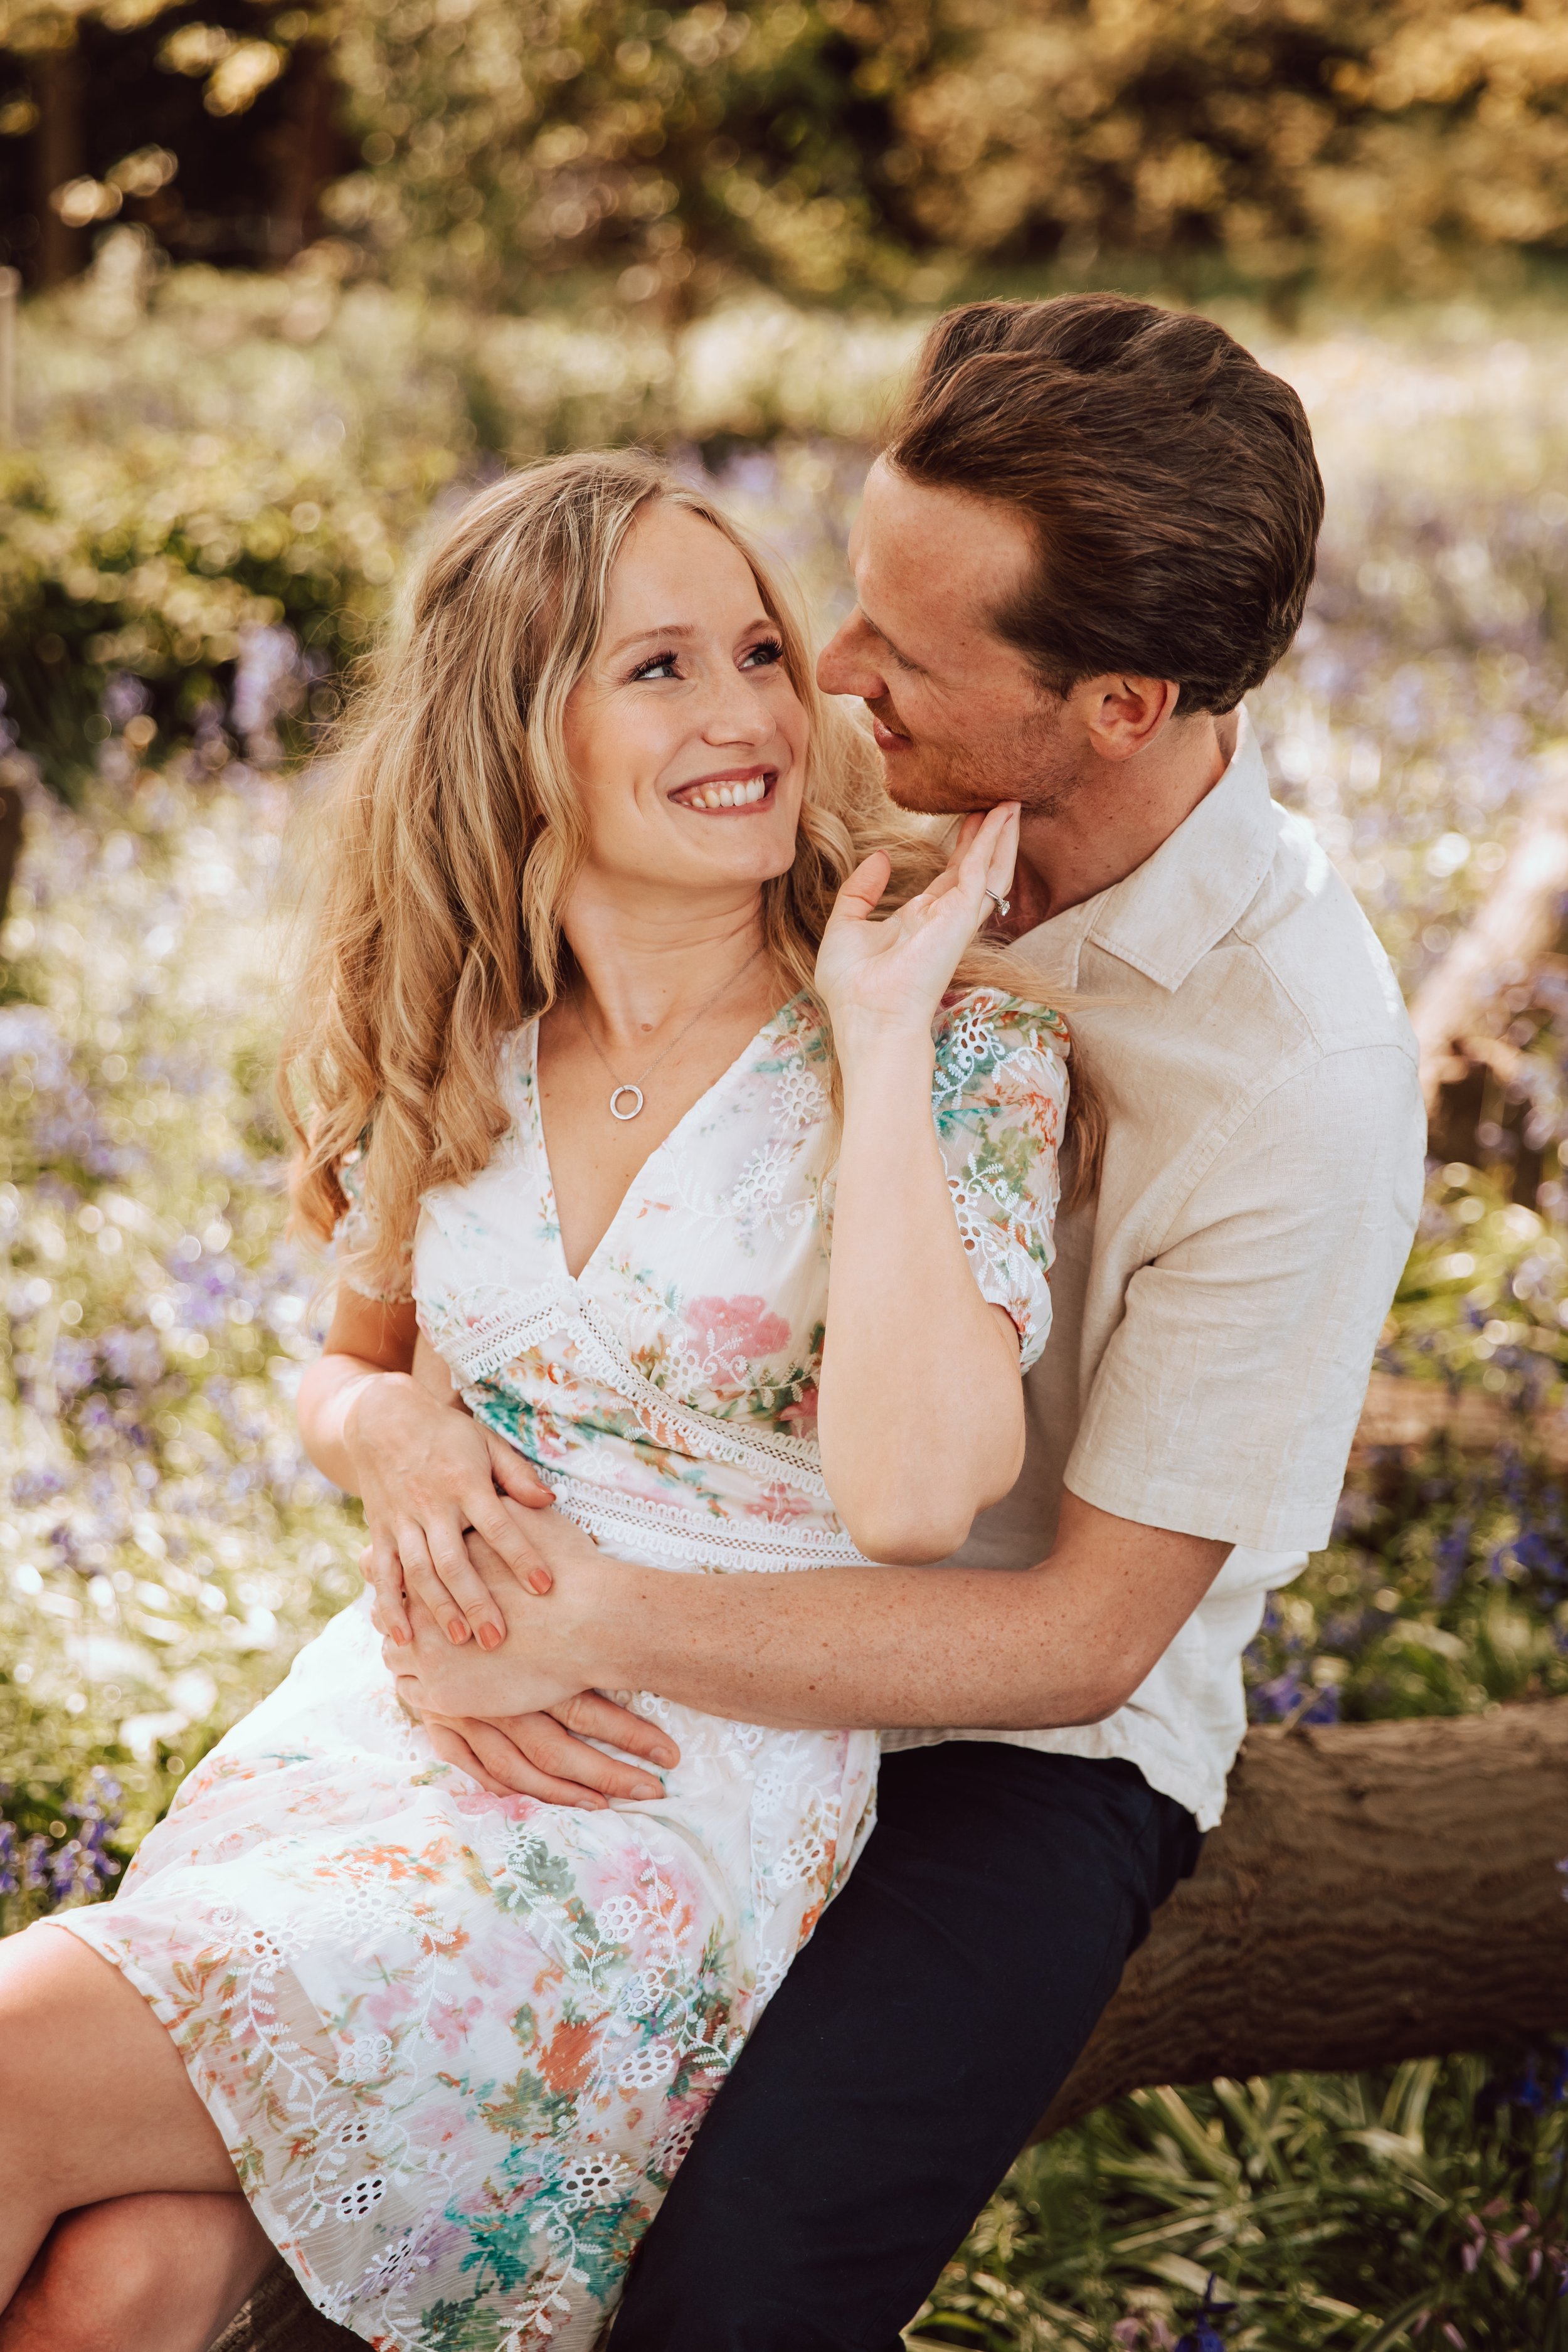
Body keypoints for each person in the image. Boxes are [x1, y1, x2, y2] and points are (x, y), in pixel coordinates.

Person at [374, 294, 1428, 2352]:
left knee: (729, 2292)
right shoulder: (832, 806)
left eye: (901, 653)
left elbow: (1083, 1637)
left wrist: (585, 1623)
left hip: (1005, 1742)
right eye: (835, 607)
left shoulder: (1294, 1078)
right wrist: (405, 1448)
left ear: (1117, 704)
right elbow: (503, 1185)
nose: (823, 679)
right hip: (673, 1572)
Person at [0, 451, 1074, 2351]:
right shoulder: (463, 1035)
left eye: (755, 648)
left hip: (660, 1792)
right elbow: (347, 1365)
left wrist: (885, 1034)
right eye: (656, 668)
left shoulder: (952, 1044)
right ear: (521, 729)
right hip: (380, 1725)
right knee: (121, 2282)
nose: (747, 710)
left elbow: (915, 1496)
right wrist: (397, 1435)